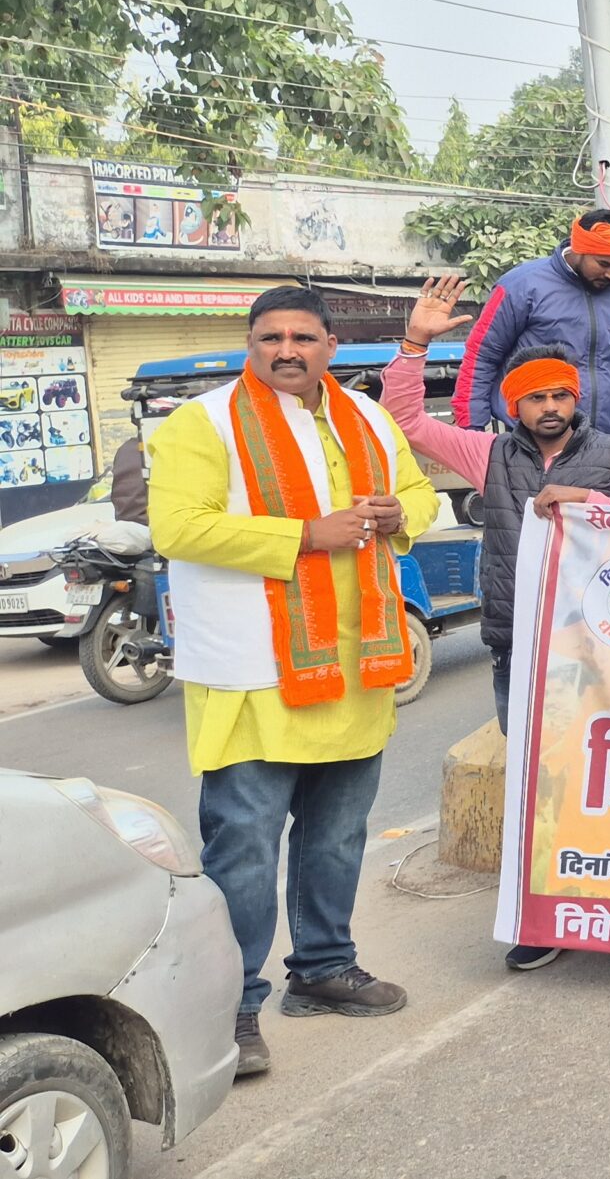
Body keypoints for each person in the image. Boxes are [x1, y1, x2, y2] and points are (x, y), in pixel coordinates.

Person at [148, 287, 439, 1076]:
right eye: (270, 336)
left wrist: (397, 514)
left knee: (337, 832)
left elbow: (419, 494)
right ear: (250, 342)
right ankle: (233, 1006)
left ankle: (321, 965)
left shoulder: (366, 416)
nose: (286, 349)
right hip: (252, 666)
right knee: (243, 844)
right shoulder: (204, 422)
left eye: (302, 337)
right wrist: (306, 534)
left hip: (356, 662)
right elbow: (178, 525)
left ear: (329, 346)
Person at [389, 279, 610, 975]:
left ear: (576, 399)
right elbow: (406, 421)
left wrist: (590, 500)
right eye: (535, 397)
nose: (549, 407)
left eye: (559, 395)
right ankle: (546, 919)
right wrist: (416, 342)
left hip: (606, 654)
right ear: (515, 405)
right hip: (520, 647)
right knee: (538, 788)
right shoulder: (489, 456)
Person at [457, 208, 610, 436]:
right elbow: (481, 356)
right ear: (579, 249)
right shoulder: (521, 285)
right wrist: (471, 430)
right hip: (529, 439)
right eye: (603, 264)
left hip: (604, 441)